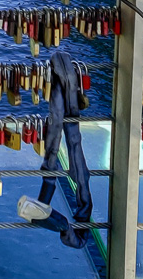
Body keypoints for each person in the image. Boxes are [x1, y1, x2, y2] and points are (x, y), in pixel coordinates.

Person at [17, 49, 92, 248]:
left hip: (61, 82)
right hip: (67, 85)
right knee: (74, 142)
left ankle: (46, 208)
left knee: (67, 141)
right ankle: (45, 211)